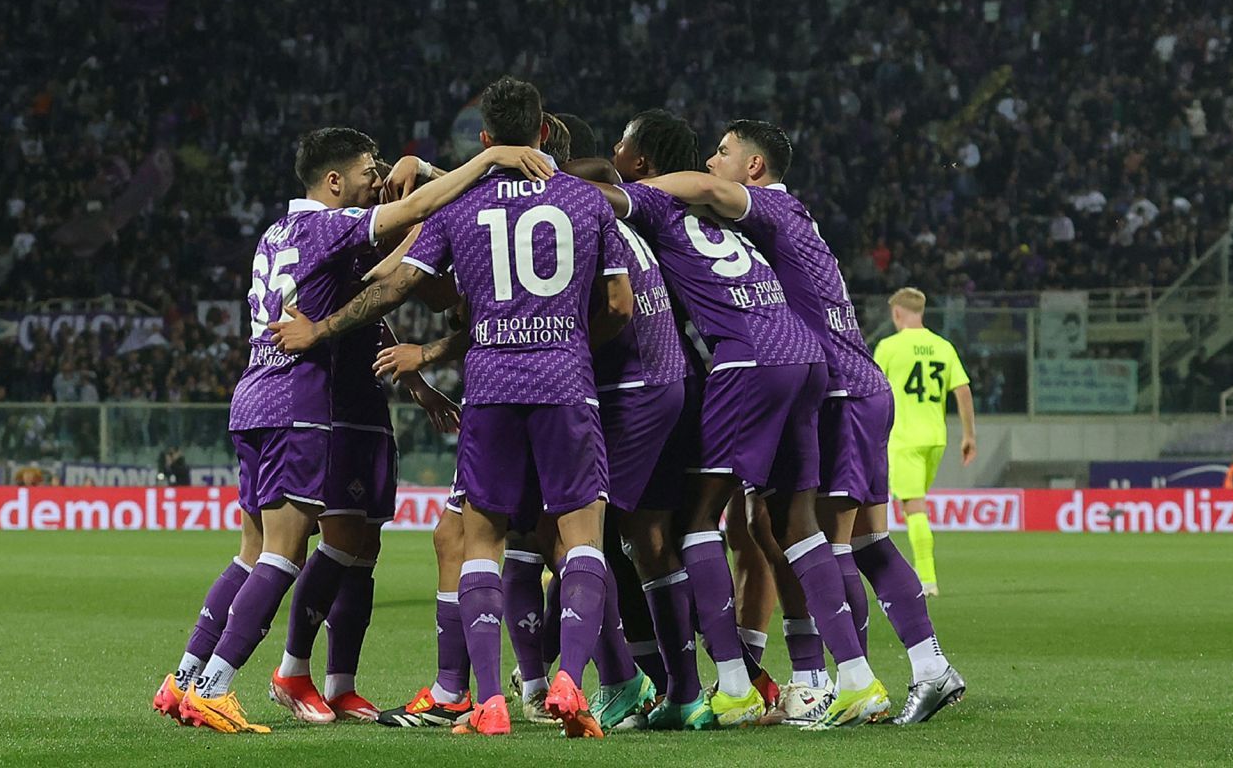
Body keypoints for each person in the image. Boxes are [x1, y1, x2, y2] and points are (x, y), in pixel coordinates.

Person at [156, 126, 550, 734]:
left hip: (259, 393)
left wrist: (417, 384)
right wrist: (491, 157)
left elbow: (372, 291)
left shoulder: (278, 233)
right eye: (368, 169)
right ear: (334, 180)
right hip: (303, 400)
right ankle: (217, 684)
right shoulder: (328, 226)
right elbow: (417, 211)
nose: (377, 176)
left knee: (262, 549)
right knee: (284, 553)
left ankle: (185, 677)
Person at [272, 77, 633, 738]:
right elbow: (617, 307)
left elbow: (392, 288)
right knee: (581, 539)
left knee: (479, 542)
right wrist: (570, 339)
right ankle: (570, 685)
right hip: (565, 383)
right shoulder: (587, 203)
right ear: (546, 133)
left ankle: (486, 701)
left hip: (490, 387)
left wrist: (321, 328)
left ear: (487, 139)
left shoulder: (461, 208)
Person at [643, 121, 966, 725]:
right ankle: (924, 668)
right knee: (862, 540)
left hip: (840, 388)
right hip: (855, 381)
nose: (714, 163)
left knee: (823, 541)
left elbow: (708, 193)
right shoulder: (788, 217)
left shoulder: (765, 203)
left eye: (724, 153)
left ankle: (845, 680)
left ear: (755, 168)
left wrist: (645, 189)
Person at [582, 109, 885, 728]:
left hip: (746, 360)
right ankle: (854, 678)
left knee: (696, 519)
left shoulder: (655, 207)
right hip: (804, 356)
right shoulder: (736, 214)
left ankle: (734, 686)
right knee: (792, 519)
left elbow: (596, 197)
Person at [872, 287, 975, 598]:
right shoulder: (943, 347)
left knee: (913, 507)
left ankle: (927, 578)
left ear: (897, 313)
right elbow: (963, 391)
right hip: (936, 439)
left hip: (904, 439)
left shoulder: (889, 347)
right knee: (915, 504)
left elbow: (872, 389)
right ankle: (923, 573)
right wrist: (969, 435)